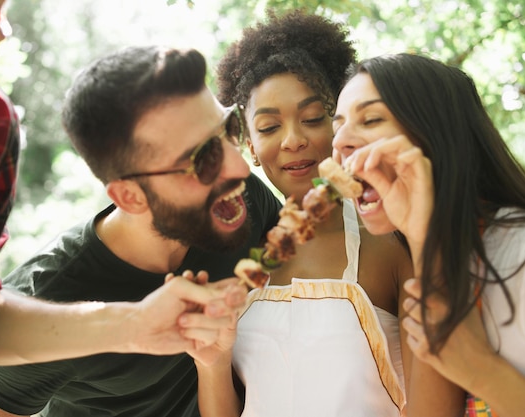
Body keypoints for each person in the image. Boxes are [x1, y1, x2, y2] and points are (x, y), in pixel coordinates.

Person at [0, 1, 252, 415]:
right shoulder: (55, 283)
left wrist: (133, 327)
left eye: (231, 130)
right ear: (128, 197)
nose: (1, 31)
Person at [195, 9, 463, 416]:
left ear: (340, 124)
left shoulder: (393, 241)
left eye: (313, 119)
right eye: (268, 128)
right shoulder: (244, 261)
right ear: (249, 146)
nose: (293, 140)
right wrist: (211, 364)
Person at [335, 52, 525, 416]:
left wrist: (481, 368)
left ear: (436, 134)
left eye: (370, 119)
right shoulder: (432, 261)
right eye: (337, 126)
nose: (339, 143)